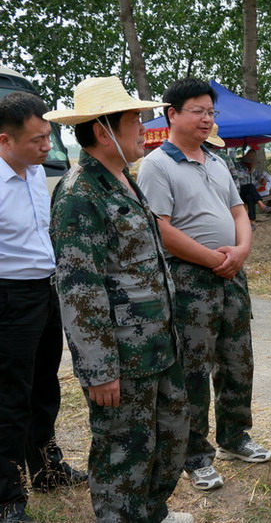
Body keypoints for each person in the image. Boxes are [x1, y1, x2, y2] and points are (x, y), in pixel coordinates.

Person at [45, 76, 191, 523]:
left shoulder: (123, 178)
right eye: (134, 120)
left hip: (158, 346)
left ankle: (152, 512)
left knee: (169, 438)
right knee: (123, 455)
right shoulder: (79, 194)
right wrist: (99, 369)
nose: (144, 128)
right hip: (122, 359)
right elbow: (79, 289)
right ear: (103, 130)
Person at [137, 78, 271, 492]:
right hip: (191, 279)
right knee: (193, 369)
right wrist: (214, 259)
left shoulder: (217, 160)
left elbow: (239, 211)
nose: (206, 119)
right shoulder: (157, 165)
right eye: (197, 111)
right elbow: (160, 229)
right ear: (172, 114)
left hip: (232, 275)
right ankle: (195, 454)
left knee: (237, 360)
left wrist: (241, 251)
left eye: (211, 112)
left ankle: (235, 436)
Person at [0, 92, 87, 522]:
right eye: (37, 140)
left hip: (45, 290)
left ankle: (46, 469)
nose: (46, 147)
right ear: (5, 140)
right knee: (10, 397)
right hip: (9, 298)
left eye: (48, 137)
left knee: (44, 386)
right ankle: (7, 497)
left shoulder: (35, 173)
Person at [237, 148, 269, 229]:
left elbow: (259, 178)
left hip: (248, 193)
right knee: (250, 186)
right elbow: (236, 176)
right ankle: (261, 205)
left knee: (250, 197)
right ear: (246, 161)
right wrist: (248, 171)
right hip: (238, 192)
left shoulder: (253, 169)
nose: (253, 164)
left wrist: (262, 180)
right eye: (252, 162)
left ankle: (252, 222)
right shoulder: (237, 166)